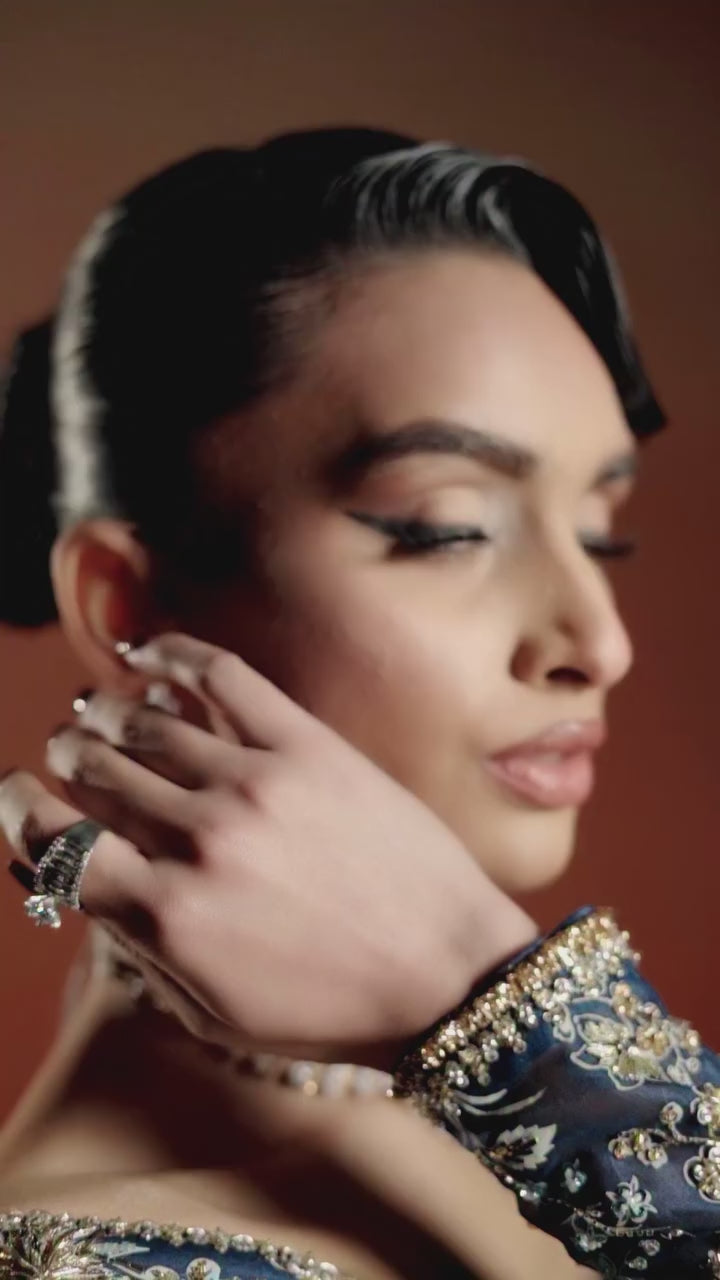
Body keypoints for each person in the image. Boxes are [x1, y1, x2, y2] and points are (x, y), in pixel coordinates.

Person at [0, 128, 717, 1280]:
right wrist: (504, 1015)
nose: (601, 643)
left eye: (600, 534)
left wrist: (476, 1000)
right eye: (449, 527)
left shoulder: (501, 1126)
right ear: (124, 601)